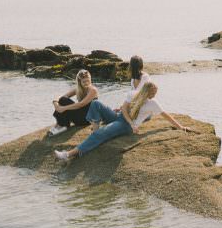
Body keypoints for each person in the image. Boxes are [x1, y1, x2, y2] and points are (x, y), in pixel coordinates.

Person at [53, 81, 187, 161]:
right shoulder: (133, 94)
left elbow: (166, 115)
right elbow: (123, 109)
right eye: (153, 92)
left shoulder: (153, 103)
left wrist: (180, 127)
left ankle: (69, 154)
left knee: (100, 134)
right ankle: (95, 128)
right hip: (121, 118)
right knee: (96, 104)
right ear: (147, 92)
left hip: (126, 126)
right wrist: (126, 118)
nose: (155, 95)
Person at [48, 69, 98, 135]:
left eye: (88, 81)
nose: (86, 83)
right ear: (80, 82)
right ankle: (59, 124)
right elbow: (63, 97)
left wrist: (63, 108)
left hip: (87, 119)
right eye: (84, 81)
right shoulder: (78, 89)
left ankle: (62, 125)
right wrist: (55, 103)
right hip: (81, 115)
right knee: (63, 99)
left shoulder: (93, 90)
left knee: (64, 102)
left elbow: (81, 104)